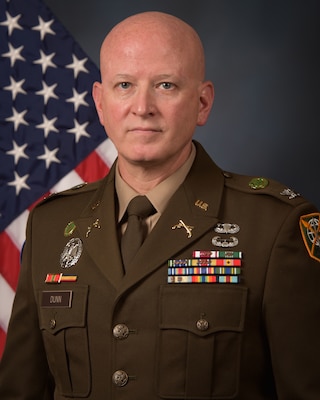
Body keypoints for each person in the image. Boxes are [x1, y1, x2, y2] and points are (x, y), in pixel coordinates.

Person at [0, 11, 320, 400]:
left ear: (202, 103)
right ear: (100, 104)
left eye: (165, 85)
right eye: (124, 85)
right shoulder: (51, 224)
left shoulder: (273, 226)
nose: (142, 107)